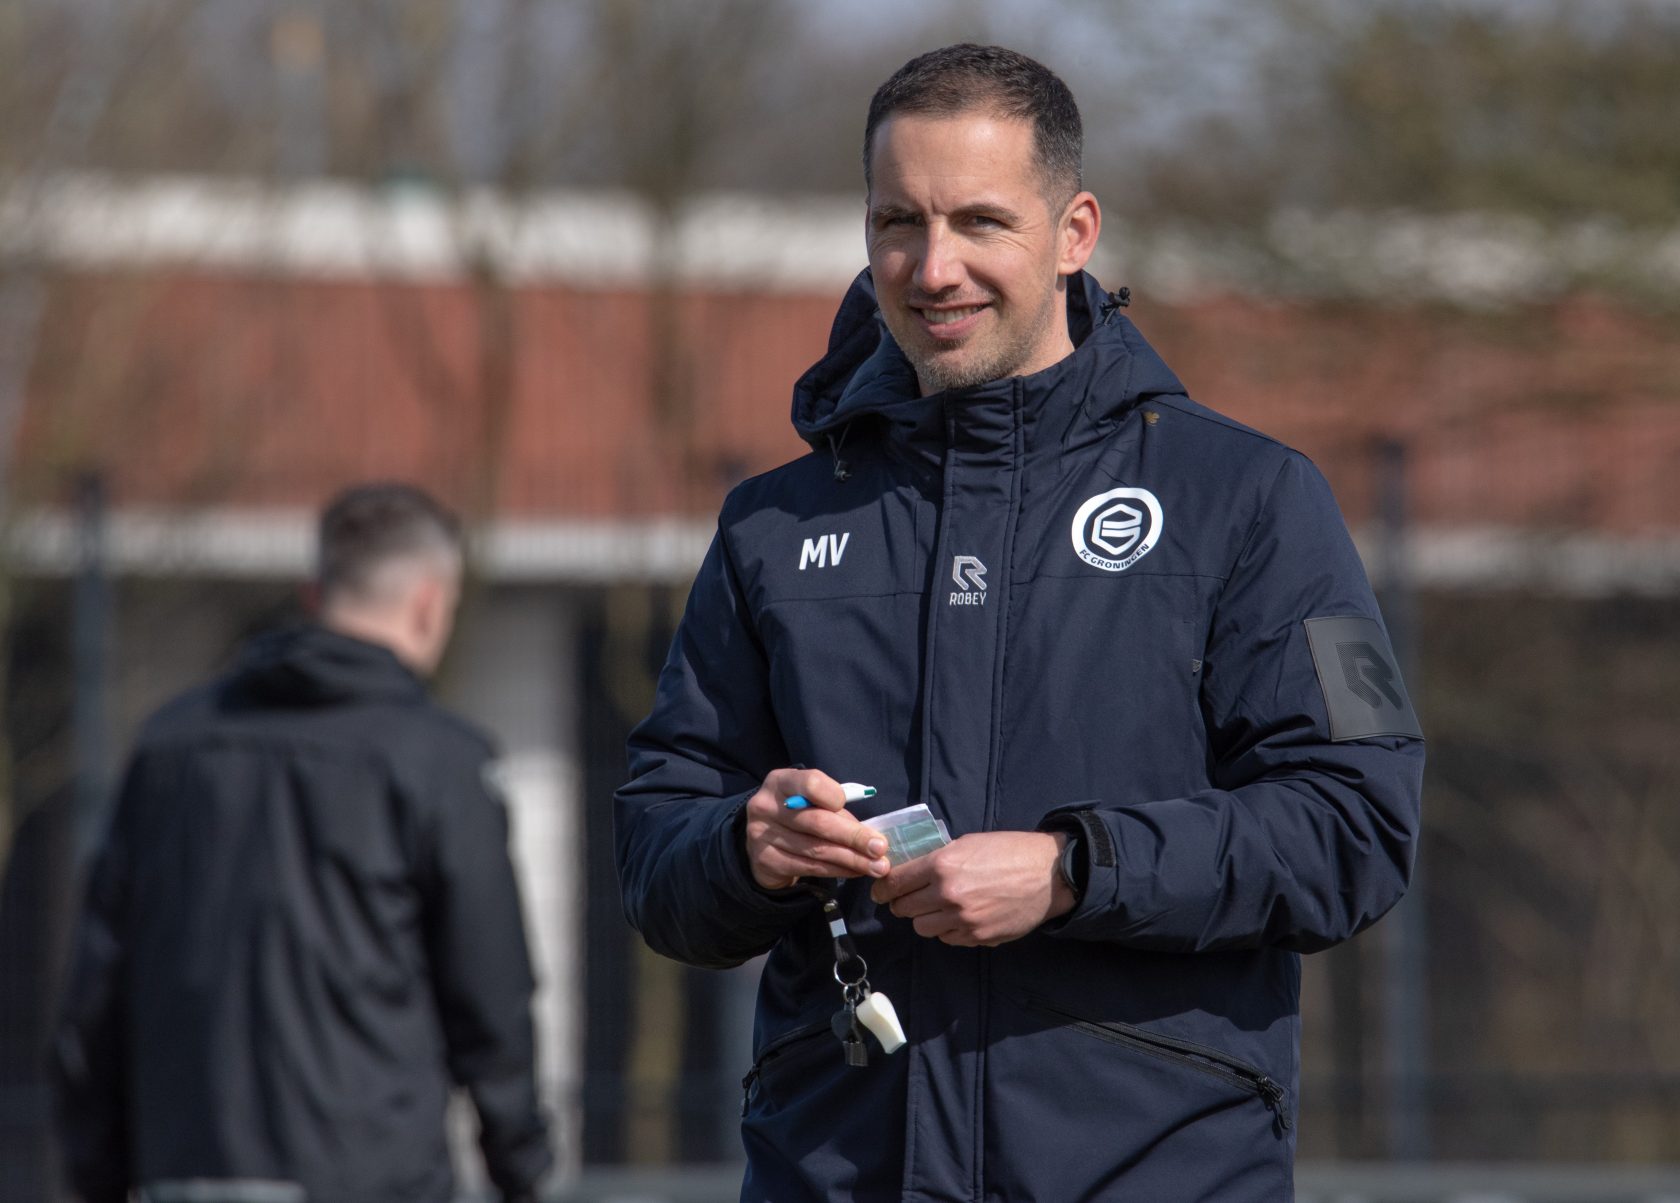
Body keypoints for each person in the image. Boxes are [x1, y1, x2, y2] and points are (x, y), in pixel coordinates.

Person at [617, 43, 1424, 1202]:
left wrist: (1074, 870)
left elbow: (1355, 826)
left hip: (1155, 1176)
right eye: (899, 222)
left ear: (1074, 232)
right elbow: (656, 844)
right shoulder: (771, 526)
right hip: (837, 1172)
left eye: (980, 221)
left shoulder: (1248, 498)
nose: (933, 267)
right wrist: (747, 851)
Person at [53, 483, 551, 1203]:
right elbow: (492, 999)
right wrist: (521, 1169)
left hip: (188, 1172)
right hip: (372, 1179)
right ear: (429, 603)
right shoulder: (440, 761)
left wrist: (99, 1172)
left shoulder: (167, 747)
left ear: (313, 594)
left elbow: (94, 995)